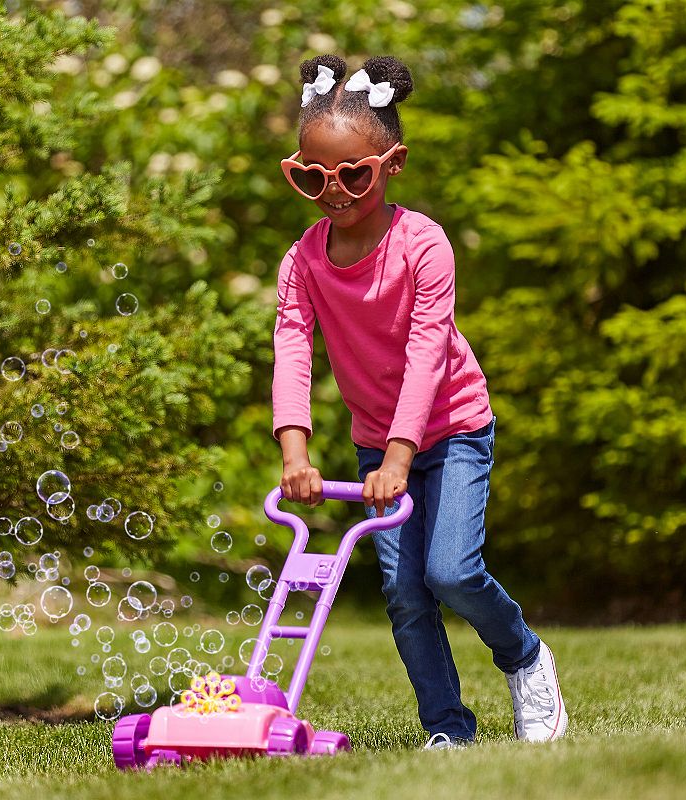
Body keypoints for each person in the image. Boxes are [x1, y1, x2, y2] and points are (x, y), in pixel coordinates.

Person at [270, 54, 568, 750]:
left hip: (454, 427)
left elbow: (429, 353)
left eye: (353, 174)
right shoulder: (303, 260)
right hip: (379, 441)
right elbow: (292, 350)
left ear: (391, 163)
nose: (333, 190)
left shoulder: (422, 245)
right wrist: (296, 452)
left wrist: (402, 454)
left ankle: (525, 657)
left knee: (451, 571)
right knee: (405, 596)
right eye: (313, 176)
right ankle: (447, 730)